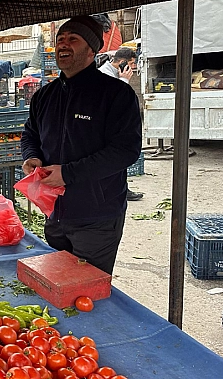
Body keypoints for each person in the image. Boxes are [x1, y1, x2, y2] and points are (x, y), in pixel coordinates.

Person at [21, 16, 142, 275]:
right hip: (54, 213)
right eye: (60, 40)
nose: (63, 44)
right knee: (57, 282)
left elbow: (126, 150)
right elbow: (30, 134)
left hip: (96, 216)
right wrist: (32, 157)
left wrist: (67, 173)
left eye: (73, 39)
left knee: (87, 289)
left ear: (91, 49)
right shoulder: (45, 95)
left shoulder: (116, 94)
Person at [98, 47, 144, 202]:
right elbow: (116, 100)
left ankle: (121, 188)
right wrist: (124, 80)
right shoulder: (105, 74)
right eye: (131, 63)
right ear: (123, 62)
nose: (132, 67)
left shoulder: (112, 73)